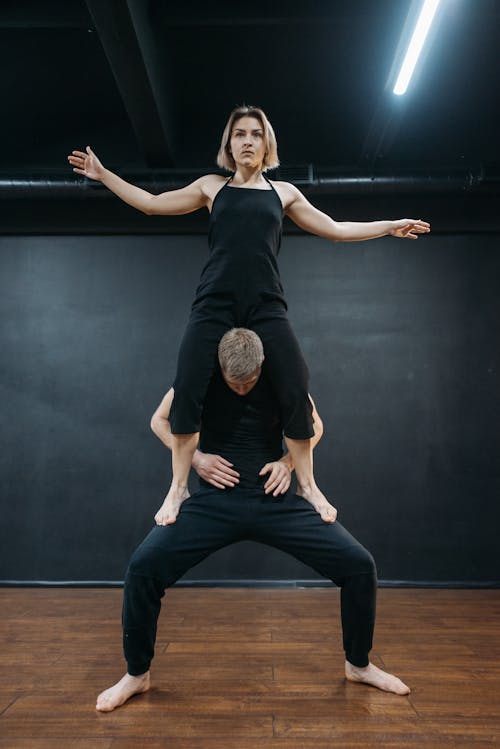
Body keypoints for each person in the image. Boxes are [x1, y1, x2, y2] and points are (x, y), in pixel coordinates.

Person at [68, 104, 430, 536]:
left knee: (295, 382)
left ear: (266, 143)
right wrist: (104, 174)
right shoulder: (211, 188)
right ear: (229, 144)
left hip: (265, 304)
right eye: (239, 134)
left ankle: (308, 485)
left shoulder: (284, 194)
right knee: (187, 385)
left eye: (255, 134)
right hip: (214, 302)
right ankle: (179, 486)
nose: (247, 141)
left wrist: (389, 225)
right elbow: (151, 204)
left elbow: (334, 228)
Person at [95, 328, 410, 712]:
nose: (243, 389)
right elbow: (159, 421)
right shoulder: (201, 377)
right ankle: (137, 674)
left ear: (262, 365)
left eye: (250, 382)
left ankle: (358, 665)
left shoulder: (282, 378)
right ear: (220, 368)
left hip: (272, 498)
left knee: (360, 565)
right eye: (234, 383)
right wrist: (197, 459)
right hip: (214, 502)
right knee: (143, 567)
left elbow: (316, 425)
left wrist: (287, 462)